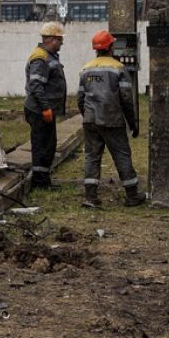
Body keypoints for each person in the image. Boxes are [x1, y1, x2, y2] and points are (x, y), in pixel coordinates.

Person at [77, 30, 145, 207]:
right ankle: (132, 196)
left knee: (92, 157)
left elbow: (80, 98)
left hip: (90, 120)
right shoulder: (118, 68)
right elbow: (126, 99)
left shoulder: (86, 69)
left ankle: (90, 198)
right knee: (122, 155)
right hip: (112, 120)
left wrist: (88, 117)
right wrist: (133, 123)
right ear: (110, 47)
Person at [24, 22, 68, 190]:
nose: (62, 43)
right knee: (42, 145)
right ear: (51, 39)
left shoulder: (48, 55)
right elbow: (36, 86)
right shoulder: (40, 57)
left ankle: (43, 179)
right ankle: (40, 182)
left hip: (44, 110)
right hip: (39, 111)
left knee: (48, 145)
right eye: (60, 39)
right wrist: (45, 108)